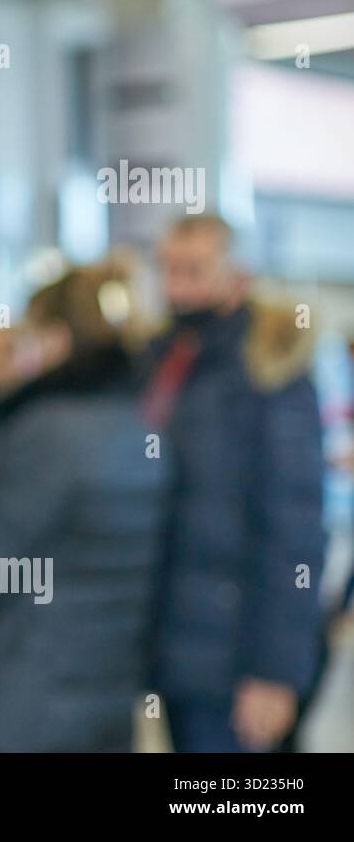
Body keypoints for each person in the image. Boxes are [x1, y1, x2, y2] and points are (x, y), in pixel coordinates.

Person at [0, 261, 166, 751]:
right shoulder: (143, 430)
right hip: (105, 700)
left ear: (55, 339)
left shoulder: (46, 434)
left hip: (14, 702)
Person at [146, 215, 326, 752]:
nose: (177, 286)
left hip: (235, 659)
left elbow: (295, 532)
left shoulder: (269, 371)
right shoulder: (169, 361)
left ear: (238, 276)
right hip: (173, 646)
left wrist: (275, 671)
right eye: (168, 270)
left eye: (194, 270)